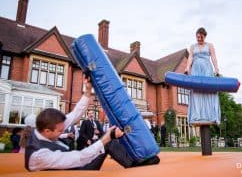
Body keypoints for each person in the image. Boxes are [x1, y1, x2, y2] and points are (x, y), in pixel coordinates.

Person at [25, 77, 159, 171]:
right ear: (47, 131)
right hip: (79, 170)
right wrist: (106, 137)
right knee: (107, 141)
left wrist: (88, 90)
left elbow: (75, 114)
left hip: (73, 164)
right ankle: (135, 165)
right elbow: (79, 158)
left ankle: (134, 162)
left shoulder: (45, 128)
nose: (62, 132)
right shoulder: (38, 155)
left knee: (108, 142)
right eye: (60, 131)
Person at [184, 27, 221, 125]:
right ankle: (197, 115)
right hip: (196, 70)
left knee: (208, 90)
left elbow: (213, 57)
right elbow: (190, 58)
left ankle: (210, 115)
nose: (199, 39)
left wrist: (216, 69)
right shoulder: (192, 46)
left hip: (207, 70)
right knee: (196, 91)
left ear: (204, 36)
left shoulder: (210, 45)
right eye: (197, 37)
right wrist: (187, 68)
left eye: (201, 37)